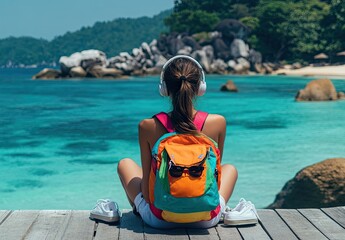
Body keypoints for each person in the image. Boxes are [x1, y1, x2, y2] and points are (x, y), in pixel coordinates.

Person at [117, 55, 238, 228]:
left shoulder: (147, 126)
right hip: (205, 220)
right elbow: (215, 178)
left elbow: (146, 190)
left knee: (125, 164)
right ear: (200, 87)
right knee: (230, 169)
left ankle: (141, 213)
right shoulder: (218, 122)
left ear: (164, 88)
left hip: (159, 220)